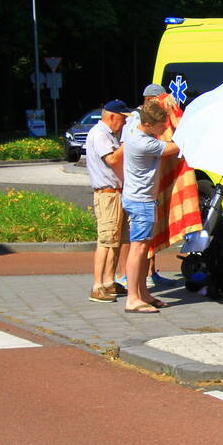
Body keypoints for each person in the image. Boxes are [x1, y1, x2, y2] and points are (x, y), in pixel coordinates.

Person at [121, 100, 181, 313]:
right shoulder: (143, 143)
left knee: (145, 248)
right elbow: (175, 147)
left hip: (140, 200)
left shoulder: (137, 133)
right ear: (147, 125)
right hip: (141, 202)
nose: (164, 128)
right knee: (138, 249)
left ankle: (143, 294)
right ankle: (133, 298)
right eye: (160, 126)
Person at [84, 100, 132, 303]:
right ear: (112, 116)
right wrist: (127, 143)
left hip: (116, 193)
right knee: (106, 240)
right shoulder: (100, 134)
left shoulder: (108, 134)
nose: (122, 124)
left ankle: (110, 281)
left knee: (117, 240)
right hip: (107, 194)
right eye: (122, 119)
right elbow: (112, 159)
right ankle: (97, 285)